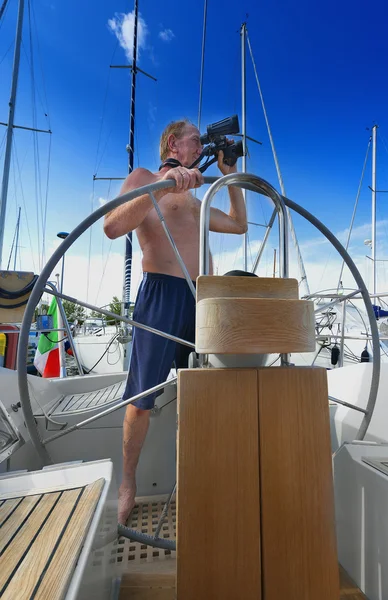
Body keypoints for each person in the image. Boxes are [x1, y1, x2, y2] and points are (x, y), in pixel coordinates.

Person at [104, 119, 247, 524]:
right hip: (161, 295)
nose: (202, 145)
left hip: (201, 299)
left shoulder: (198, 199)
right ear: (173, 144)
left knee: (199, 393)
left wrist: (229, 176)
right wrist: (166, 184)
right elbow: (113, 226)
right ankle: (128, 481)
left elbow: (239, 224)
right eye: (196, 140)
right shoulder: (144, 178)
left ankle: (195, 479)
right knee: (141, 401)